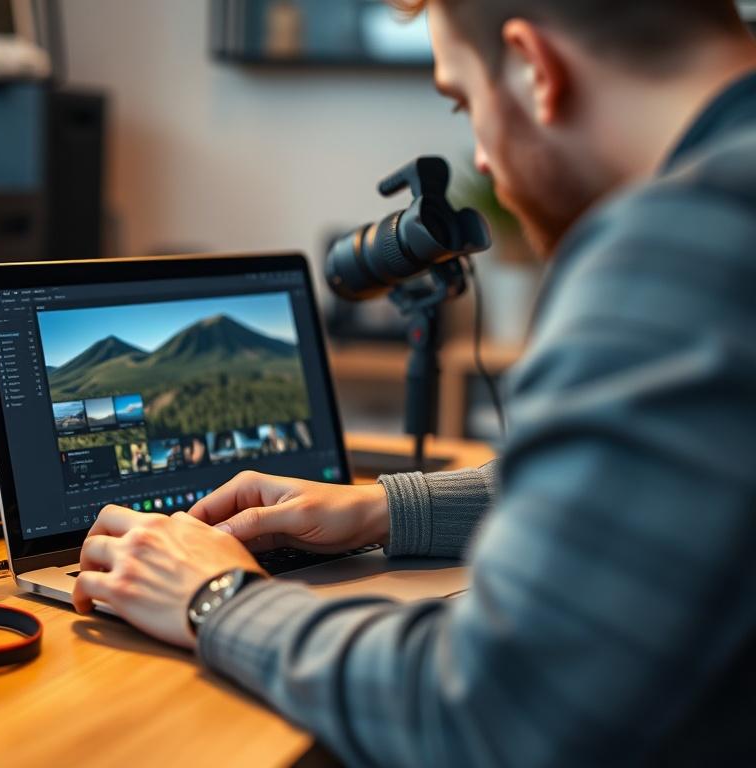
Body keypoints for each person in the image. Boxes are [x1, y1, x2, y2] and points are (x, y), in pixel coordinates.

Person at [72, 0, 756, 764]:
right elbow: (651, 488)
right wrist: (386, 508)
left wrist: (218, 599)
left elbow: (489, 714)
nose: (483, 161)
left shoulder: (683, 248)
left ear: (534, 68)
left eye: (462, 101)